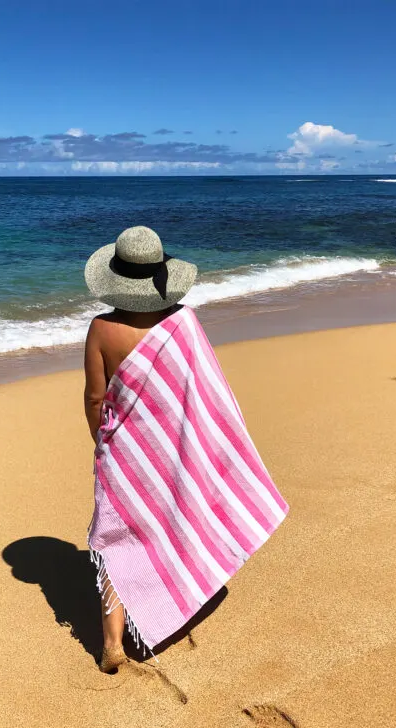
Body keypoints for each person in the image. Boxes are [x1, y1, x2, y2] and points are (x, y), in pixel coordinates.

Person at [84, 226, 288, 673]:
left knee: (114, 538)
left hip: (125, 451)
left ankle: (113, 641)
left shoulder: (102, 329)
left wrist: (101, 442)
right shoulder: (184, 323)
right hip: (170, 450)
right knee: (168, 520)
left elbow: (96, 398)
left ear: (115, 279)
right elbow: (204, 390)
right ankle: (177, 589)